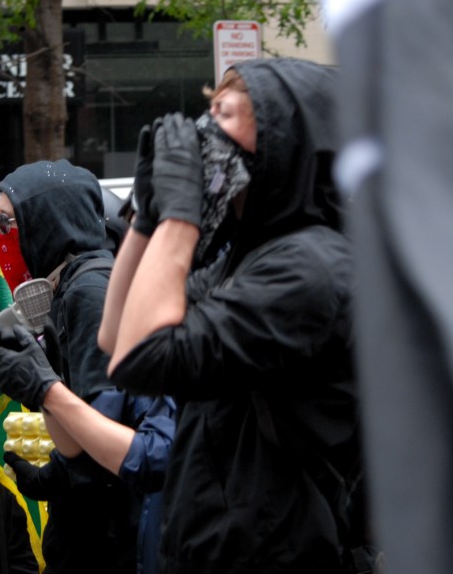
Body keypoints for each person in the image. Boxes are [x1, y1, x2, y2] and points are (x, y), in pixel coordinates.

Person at [98, 59, 371, 573]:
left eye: (225, 114)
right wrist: (150, 218)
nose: (204, 130)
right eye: (208, 111)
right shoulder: (247, 257)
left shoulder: (311, 268)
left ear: (283, 139)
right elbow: (116, 337)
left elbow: (139, 357)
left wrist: (181, 219)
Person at [0, 159, 175, 574]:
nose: (2, 235)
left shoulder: (86, 290)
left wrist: (42, 389)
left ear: (46, 221)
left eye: (8, 222)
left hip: (108, 539)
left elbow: (94, 439)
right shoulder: (75, 283)